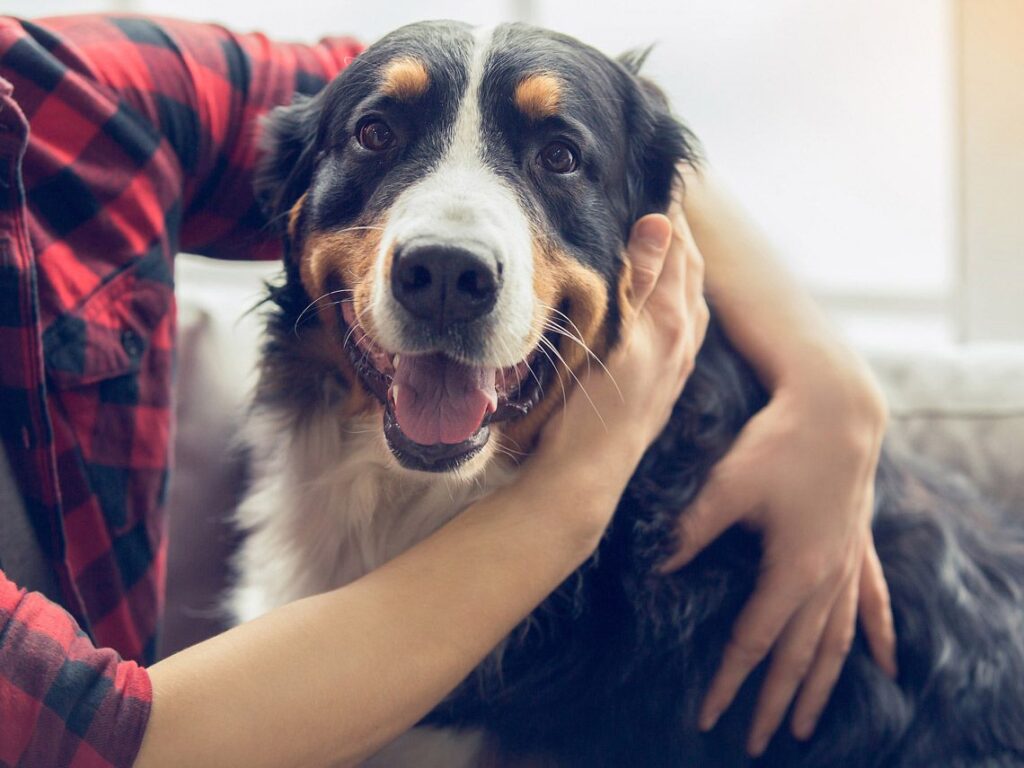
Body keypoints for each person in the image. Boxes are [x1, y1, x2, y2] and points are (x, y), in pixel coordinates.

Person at [0, 14, 893, 767]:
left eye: (559, 154)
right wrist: (576, 490)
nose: (447, 249)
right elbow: (124, 741)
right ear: (293, 211)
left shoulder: (61, 87)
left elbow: (474, 80)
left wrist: (832, 384)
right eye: (379, 139)